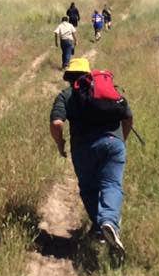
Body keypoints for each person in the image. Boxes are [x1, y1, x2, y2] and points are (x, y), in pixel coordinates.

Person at [49, 57, 133, 259]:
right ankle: (109, 223)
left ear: (69, 77)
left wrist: (60, 144)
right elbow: (128, 116)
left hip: (83, 148)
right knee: (111, 185)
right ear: (89, 74)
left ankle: (100, 227)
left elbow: (57, 124)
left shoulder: (66, 95)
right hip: (114, 143)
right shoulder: (107, 90)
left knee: (89, 189)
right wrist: (121, 141)